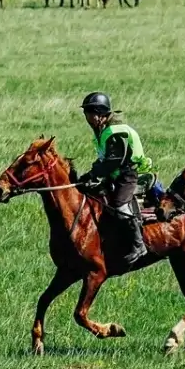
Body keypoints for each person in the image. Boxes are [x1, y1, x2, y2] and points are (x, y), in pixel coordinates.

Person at [75, 92, 152, 267]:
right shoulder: (103, 130)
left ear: (100, 113)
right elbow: (105, 159)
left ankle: (139, 245)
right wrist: (89, 175)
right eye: (86, 114)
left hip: (127, 175)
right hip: (115, 174)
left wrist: (94, 174)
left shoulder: (115, 132)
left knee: (119, 205)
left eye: (90, 114)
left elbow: (113, 161)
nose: (87, 118)